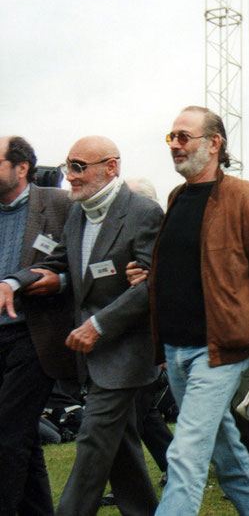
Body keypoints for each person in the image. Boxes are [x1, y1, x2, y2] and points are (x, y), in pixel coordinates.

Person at [141, 106, 249, 515]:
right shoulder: (176, 198)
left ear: (214, 144)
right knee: (228, 457)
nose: (174, 144)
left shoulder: (245, 197)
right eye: (171, 136)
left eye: (184, 136)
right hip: (175, 351)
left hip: (221, 350)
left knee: (184, 455)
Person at [2, 135, 164, 515]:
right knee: (121, 450)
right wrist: (14, 283)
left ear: (111, 167)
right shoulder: (78, 213)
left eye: (79, 167)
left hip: (125, 352)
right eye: (67, 166)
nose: (70, 177)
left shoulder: (143, 212)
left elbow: (151, 287)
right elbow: (59, 263)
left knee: (92, 444)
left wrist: (99, 325)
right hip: (91, 357)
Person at [0, 136, 74, 515]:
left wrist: (58, 282)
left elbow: (78, 264)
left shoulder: (59, 205)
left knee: (7, 434)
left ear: (21, 167)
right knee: (22, 437)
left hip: (34, 335)